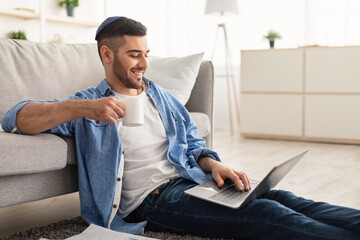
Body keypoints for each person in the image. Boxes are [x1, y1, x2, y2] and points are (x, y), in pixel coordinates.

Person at [2, 16, 360, 240]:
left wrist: (215, 165)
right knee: (266, 216)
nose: (144, 63)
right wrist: (87, 107)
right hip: (153, 200)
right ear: (107, 55)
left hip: (194, 181)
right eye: (134, 55)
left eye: (146, 53)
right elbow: (14, 118)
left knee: (286, 198)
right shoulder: (87, 105)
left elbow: (192, 142)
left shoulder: (162, 97)